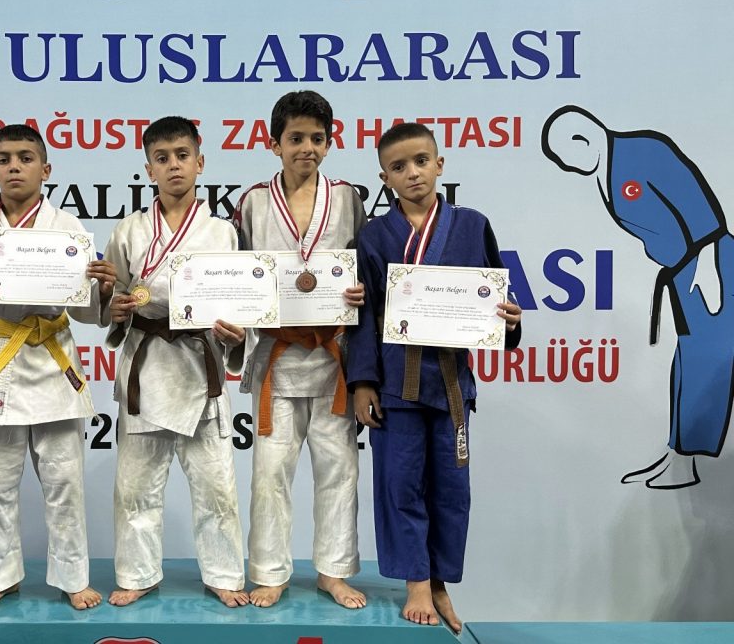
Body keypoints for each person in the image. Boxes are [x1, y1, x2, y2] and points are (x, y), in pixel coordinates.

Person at [0, 124, 116, 612]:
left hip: (53, 360)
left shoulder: (67, 228)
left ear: (45, 169)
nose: (15, 167)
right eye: (5, 159)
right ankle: (0, 576)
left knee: (64, 482)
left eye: (26, 158)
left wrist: (99, 289)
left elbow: (85, 307)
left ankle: (73, 577)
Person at [348, 122, 522, 633]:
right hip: (394, 382)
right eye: (398, 167)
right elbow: (363, 315)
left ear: (440, 164)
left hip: (449, 383)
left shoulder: (472, 225)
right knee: (400, 483)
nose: (413, 173)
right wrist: (362, 381)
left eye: (421, 161)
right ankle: (417, 582)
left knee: (451, 486)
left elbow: (494, 298)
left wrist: (509, 322)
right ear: (384, 178)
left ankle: (440, 579)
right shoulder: (373, 236)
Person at [543, 105, 733, 488]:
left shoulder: (645, 151)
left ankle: (688, 463)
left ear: (585, 136)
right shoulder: (606, 171)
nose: (569, 167)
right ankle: (677, 455)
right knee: (687, 359)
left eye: (569, 156)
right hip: (682, 268)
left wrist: (710, 263)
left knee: (709, 358)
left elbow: (696, 203)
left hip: (708, 261)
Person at [102, 116, 249, 608]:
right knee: (135, 486)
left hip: (200, 365)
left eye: (182, 156)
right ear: (149, 169)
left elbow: (238, 301)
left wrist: (236, 334)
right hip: (147, 367)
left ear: (200, 162)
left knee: (217, 486)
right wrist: (115, 307)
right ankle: (137, 573)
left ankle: (224, 574)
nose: (173, 166)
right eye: (162, 158)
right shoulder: (128, 231)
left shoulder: (223, 233)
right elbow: (113, 295)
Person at [232, 91, 367, 609]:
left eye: (316, 138)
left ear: (329, 144)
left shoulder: (349, 199)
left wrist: (363, 293)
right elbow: (239, 275)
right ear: (275, 144)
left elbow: (367, 266)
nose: (306, 148)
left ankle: (334, 571)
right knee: (270, 471)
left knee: (340, 468)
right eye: (295, 138)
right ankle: (270, 572)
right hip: (278, 355)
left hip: (334, 355)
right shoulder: (253, 202)